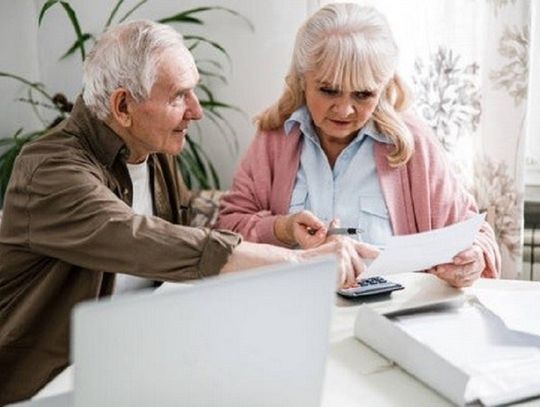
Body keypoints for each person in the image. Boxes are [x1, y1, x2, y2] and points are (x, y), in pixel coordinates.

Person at [0, 20, 377, 405]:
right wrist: (301, 263)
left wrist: (281, 228)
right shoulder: (48, 171)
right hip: (50, 386)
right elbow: (145, 239)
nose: (196, 111)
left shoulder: (151, 150)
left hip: (138, 361)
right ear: (123, 106)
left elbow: (189, 216)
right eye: (179, 96)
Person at [217, 3, 501, 287]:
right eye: (329, 90)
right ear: (303, 80)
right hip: (292, 309)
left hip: (390, 318)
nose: (344, 110)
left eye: (363, 94)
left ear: (384, 86)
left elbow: (475, 234)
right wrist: (283, 228)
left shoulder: (412, 144)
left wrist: (472, 258)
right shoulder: (275, 139)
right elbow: (226, 231)